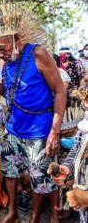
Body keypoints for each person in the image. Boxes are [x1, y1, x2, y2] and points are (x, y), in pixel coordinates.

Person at [0, 2, 66, 223]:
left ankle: (35, 218)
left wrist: (55, 131)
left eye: (2, 48)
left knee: (39, 178)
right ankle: (12, 213)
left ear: (15, 38)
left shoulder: (38, 54)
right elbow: (8, 92)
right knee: (9, 171)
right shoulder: (6, 61)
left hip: (39, 130)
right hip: (14, 127)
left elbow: (59, 91)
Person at [48, 84, 88, 223]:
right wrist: (67, 169)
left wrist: (85, 197)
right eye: (85, 100)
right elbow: (76, 152)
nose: (84, 104)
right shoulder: (84, 128)